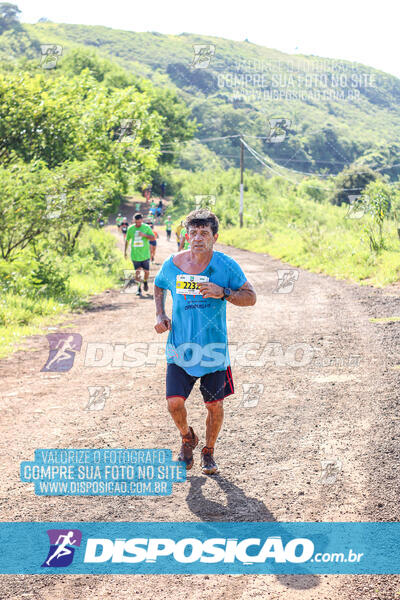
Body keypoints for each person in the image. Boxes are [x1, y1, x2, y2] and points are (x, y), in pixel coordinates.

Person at [154, 209, 256, 475]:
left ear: (215, 237)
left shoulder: (226, 266)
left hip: (213, 352)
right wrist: (160, 313)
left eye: (204, 233)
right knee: (174, 403)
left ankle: (208, 451)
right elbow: (159, 284)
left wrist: (223, 292)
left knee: (214, 405)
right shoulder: (173, 265)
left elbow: (251, 296)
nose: (198, 238)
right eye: (193, 233)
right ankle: (188, 438)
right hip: (180, 349)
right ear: (187, 236)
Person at [125, 213, 155, 296]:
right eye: (136, 222)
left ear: (142, 220)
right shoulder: (130, 229)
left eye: (139, 222)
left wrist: (144, 235)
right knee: (137, 272)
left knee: (146, 272)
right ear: (134, 220)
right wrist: (125, 252)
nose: (137, 224)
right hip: (135, 255)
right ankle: (138, 289)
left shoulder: (146, 227)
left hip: (145, 254)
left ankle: (145, 282)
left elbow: (153, 238)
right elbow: (127, 240)